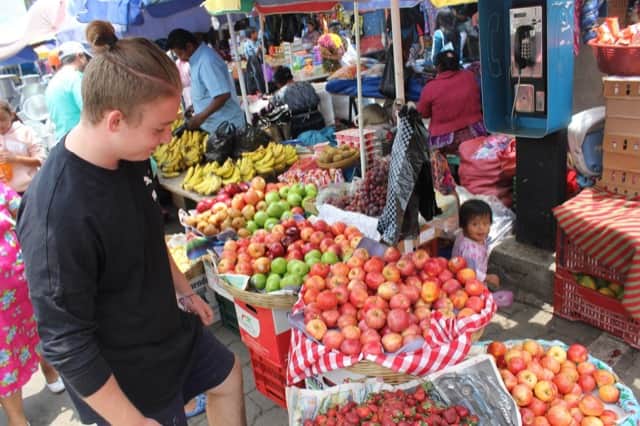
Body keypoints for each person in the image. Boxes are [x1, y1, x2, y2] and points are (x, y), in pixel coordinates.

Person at [17, 20, 245, 426]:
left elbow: (147, 231)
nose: (166, 139)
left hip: (165, 328)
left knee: (227, 375)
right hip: (122, 372)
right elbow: (65, 342)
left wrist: (183, 290)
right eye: (159, 128)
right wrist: (132, 422)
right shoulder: (57, 213)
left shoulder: (130, 158)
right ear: (115, 120)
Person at [0, 182, 43, 426]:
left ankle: (50, 372)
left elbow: (26, 211)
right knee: (3, 356)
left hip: (21, 286)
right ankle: (17, 418)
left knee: (38, 331)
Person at [167, 29, 246, 135]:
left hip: (228, 127)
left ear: (189, 46)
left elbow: (222, 95)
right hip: (216, 128)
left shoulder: (206, 61)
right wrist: (195, 106)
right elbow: (208, 91)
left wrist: (200, 117)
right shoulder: (196, 60)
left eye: (180, 54)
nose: (180, 59)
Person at [416, 50, 486, 155]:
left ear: (438, 67)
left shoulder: (430, 88)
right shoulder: (470, 76)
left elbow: (423, 113)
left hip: (446, 143)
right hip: (476, 133)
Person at [45, 41, 91, 142]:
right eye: (87, 59)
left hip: (62, 141)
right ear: (80, 56)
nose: (88, 63)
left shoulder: (52, 82)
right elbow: (91, 111)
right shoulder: (76, 78)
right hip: (81, 141)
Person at [452, 199, 500, 289]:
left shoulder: (469, 235)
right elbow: (470, 271)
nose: (481, 228)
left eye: (485, 224)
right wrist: (487, 278)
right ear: (464, 225)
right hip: (468, 285)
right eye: (475, 224)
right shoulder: (469, 250)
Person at [0, 101, 45, 194]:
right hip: (7, 195)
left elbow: (41, 161)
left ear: (11, 115)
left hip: (31, 188)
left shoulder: (25, 132)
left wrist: (16, 159)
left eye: (2, 119)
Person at [271, 66, 325, 138]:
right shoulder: (307, 84)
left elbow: (276, 112)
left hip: (300, 127)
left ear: (278, 83)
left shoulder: (279, 94)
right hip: (319, 121)